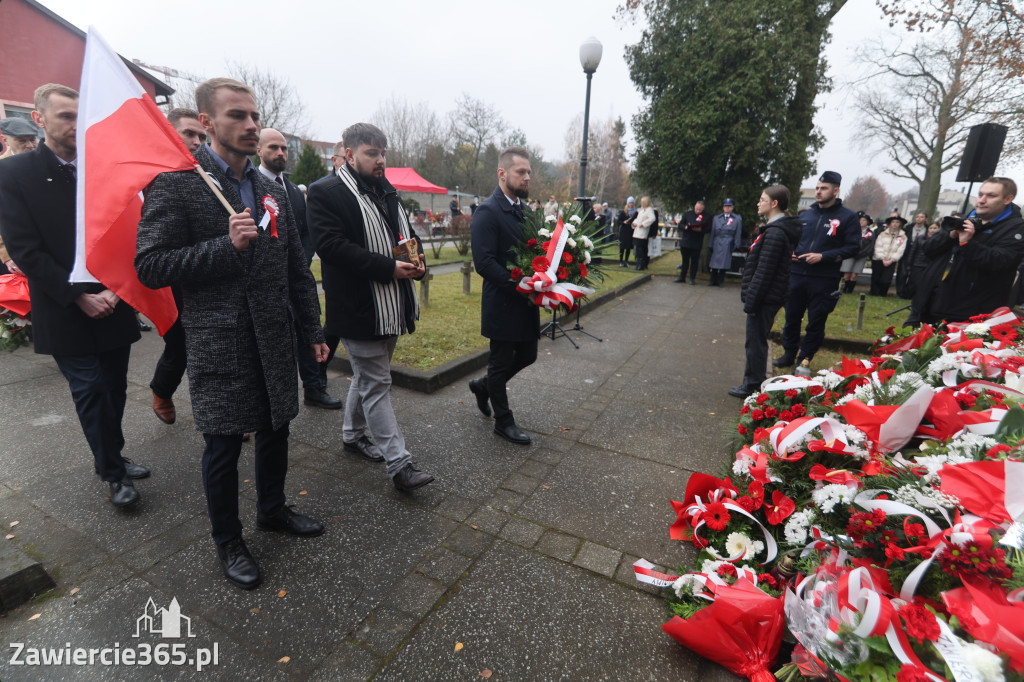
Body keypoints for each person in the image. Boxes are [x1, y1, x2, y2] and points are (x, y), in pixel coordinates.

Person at [136, 77, 327, 590]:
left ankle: (272, 509)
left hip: (274, 334)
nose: (250, 125)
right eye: (237, 116)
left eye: (254, 116)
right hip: (220, 339)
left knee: (277, 428)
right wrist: (224, 247)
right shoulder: (178, 183)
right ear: (207, 122)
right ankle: (228, 539)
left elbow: (296, 268)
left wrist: (312, 329)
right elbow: (150, 265)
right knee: (223, 446)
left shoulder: (272, 189)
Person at [0, 83, 149, 508]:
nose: (76, 125)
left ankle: (112, 454)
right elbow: (26, 249)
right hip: (62, 306)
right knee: (91, 389)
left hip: (113, 299)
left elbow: (128, 231)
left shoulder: (103, 168)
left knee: (115, 388)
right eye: (66, 116)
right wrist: (80, 296)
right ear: (39, 119)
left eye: (81, 116)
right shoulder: (13, 174)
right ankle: (113, 474)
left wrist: (116, 289)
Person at [306, 123, 435, 492]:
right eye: (371, 153)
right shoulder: (325, 192)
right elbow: (331, 247)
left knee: (367, 377)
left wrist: (418, 261)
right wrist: (388, 268)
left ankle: (351, 435)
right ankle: (400, 465)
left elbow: (407, 236)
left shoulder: (386, 189)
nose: (380, 160)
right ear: (349, 155)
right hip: (358, 308)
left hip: (393, 305)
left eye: (383, 153)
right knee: (377, 383)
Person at [256, 127, 342, 410]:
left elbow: (306, 232)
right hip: (266, 283)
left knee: (309, 331)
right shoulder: (250, 186)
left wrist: (300, 262)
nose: (280, 152)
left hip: (297, 278)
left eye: (283, 148)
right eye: (273, 147)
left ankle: (314, 388)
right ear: (259, 150)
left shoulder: (293, 191)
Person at [468, 146, 540, 445]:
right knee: (500, 363)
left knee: (528, 354)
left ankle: (483, 386)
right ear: (502, 173)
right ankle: (503, 421)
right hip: (503, 302)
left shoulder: (526, 210)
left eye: (528, 172)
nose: (527, 177)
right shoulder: (487, 211)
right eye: (520, 172)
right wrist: (520, 284)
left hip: (526, 300)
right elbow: (484, 263)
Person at [148, 108, 205, 425]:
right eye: (189, 134)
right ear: (169, 133)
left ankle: (222, 411)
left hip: (204, 268)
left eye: (202, 136)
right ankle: (162, 388)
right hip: (168, 274)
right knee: (180, 343)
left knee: (212, 345)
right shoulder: (151, 175)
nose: (197, 141)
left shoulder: (207, 173)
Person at [775, 171, 860, 368]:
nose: (818, 192)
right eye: (817, 188)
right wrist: (791, 251)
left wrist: (823, 256)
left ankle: (804, 358)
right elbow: (794, 239)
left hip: (824, 278)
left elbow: (853, 247)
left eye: (824, 188)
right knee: (791, 317)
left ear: (836, 191)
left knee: (816, 321)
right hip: (797, 275)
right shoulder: (806, 215)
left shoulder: (848, 217)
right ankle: (789, 353)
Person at [918, 177, 1024, 324]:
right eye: (980, 194)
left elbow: (999, 261)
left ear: (1008, 199)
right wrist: (949, 236)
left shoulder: (1016, 228)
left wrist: (967, 243)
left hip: (971, 314)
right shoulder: (965, 219)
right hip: (931, 303)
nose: (982, 200)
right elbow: (928, 250)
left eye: (991, 196)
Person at [729, 186, 802, 398]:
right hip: (767, 296)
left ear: (774, 203)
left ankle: (752, 384)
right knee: (756, 340)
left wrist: (752, 303)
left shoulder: (775, 233)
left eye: (762, 199)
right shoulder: (774, 229)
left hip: (765, 298)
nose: (758, 203)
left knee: (755, 342)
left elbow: (764, 272)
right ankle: (753, 381)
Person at [0, 118, 40, 275]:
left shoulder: (46, 163)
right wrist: (7, 255)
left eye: (32, 139)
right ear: (5, 140)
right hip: (16, 251)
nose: (30, 145)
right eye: (22, 140)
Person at [903, 221, 941, 327]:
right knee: (916, 285)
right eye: (931, 228)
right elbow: (913, 251)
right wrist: (909, 265)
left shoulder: (941, 240)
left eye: (935, 228)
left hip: (931, 267)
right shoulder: (921, 238)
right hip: (918, 265)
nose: (932, 230)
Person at [869, 215, 908, 297]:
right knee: (876, 277)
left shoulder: (903, 236)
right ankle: (874, 293)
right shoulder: (882, 234)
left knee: (886, 279)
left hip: (891, 261)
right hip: (879, 259)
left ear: (900, 224)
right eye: (893, 222)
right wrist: (882, 258)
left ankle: (883, 294)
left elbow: (901, 250)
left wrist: (892, 259)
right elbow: (878, 246)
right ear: (890, 223)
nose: (895, 224)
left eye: (897, 222)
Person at [709, 198, 742, 286]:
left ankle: (720, 281)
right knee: (714, 262)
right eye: (725, 206)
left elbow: (738, 233)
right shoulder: (716, 218)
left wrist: (737, 244)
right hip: (717, 241)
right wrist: (710, 243)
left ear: (732, 207)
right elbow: (713, 232)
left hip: (728, 242)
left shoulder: (737, 219)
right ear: (723, 207)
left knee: (724, 262)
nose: (727, 208)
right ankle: (712, 280)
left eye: (729, 206)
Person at [675, 200, 709, 284]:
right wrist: (685, 227)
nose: (698, 211)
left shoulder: (706, 216)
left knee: (694, 261)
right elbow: (680, 225)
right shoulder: (687, 214)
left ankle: (692, 278)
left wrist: (700, 230)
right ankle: (682, 277)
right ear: (694, 207)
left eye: (700, 210)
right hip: (686, 240)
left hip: (697, 242)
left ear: (703, 209)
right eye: (697, 209)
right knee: (685, 261)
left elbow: (708, 229)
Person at [895, 211, 929, 298]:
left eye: (922, 217)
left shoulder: (928, 229)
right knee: (902, 273)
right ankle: (900, 292)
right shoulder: (908, 228)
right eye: (917, 216)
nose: (919, 218)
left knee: (914, 275)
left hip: (919, 254)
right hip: (907, 252)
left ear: (926, 219)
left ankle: (910, 293)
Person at [840, 211, 875, 294]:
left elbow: (870, 246)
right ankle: (843, 290)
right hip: (850, 254)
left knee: (854, 275)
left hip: (861, 256)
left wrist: (862, 254)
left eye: (864, 220)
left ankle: (850, 291)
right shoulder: (852, 230)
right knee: (846, 273)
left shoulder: (870, 234)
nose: (861, 222)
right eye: (860, 220)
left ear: (868, 222)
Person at [632, 196, 656, 270]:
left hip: (642, 232)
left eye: (643, 202)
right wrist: (634, 223)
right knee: (637, 249)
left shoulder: (649, 210)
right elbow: (637, 219)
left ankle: (641, 264)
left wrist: (643, 224)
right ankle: (638, 264)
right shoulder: (642, 210)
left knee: (641, 249)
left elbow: (652, 218)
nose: (641, 204)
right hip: (637, 232)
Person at [617, 197, 636, 267]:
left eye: (632, 203)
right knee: (622, 247)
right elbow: (618, 221)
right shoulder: (623, 212)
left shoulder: (635, 212)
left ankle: (626, 261)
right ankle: (621, 261)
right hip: (624, 231)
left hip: (630, 231)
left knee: (628, 247)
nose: (631, 204)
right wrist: (623, 222)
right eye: (630, 203)